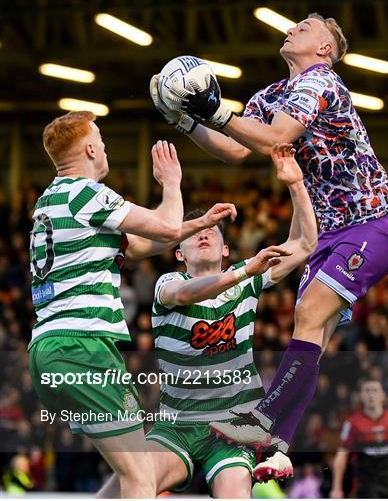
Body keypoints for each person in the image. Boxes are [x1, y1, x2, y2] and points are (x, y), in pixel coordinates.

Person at [150, 12, 388, 478]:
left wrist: (213, 109)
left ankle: (261, 421)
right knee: (313, 337)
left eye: (304, 28)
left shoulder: (320, 80)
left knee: (308, 315)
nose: (290, 30)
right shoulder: (273, 94)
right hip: (327, 235)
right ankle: (280, 446)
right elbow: (238, 149)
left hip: (371, 224)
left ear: (325, 48)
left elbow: (277, 138)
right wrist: (185, 120)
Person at [28, 111, 235, 498]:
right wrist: (171, 184)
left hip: (47, 349)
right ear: (90, 148)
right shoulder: (88, 193)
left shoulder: (49, 202)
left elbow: (141, 244)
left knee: (131, 472)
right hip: (84, 347)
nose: (104, 147)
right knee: (141, 477)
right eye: (101, 140)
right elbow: (168, 227)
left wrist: (198, 223)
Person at [97, 144, 317, 498]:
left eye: (214, 231)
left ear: (226, 249)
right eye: (196, 232)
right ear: (178, 252)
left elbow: (305, 244)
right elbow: (186, 296)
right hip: (176, 427)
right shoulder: (168, 284)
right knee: (132, 481)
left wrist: (295, 183)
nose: (204, 233)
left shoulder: (248, 278)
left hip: (232, 427)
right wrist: (245, 270)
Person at [330, 379, 388, 499]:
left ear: (383, 395)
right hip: (367, 483)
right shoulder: (352, 423)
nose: (371, 395)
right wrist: (336, 488)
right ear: (361, 396)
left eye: (375, 390)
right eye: (367, 391)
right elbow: (342, 455)